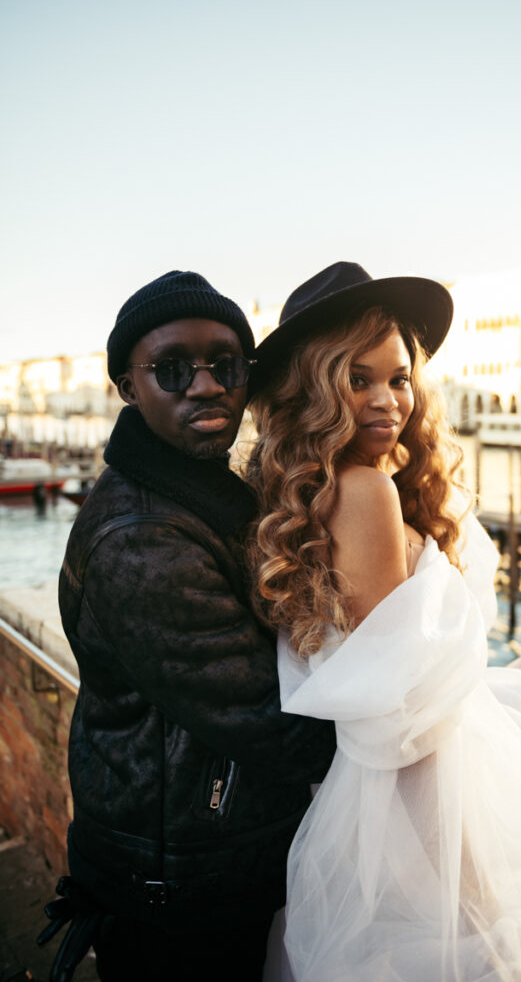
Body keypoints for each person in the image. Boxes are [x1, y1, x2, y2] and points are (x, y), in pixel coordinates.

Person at [245, 261, 521, 982]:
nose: (388, 400)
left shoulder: (317, 488)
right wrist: (482, 860)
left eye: (398, 377)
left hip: (415, 744)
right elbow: (398, 701)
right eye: (358, 380)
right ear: (315, 389)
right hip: (427, 766)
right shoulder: (365, 493)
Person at [39, 270, 336, 982]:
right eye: (172, 369)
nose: (205, 386)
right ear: (126, 387)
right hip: (177, 888)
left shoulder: (204, 492)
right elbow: (270, 722)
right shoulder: (141, 537)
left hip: (205, 861)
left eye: (225, 365)